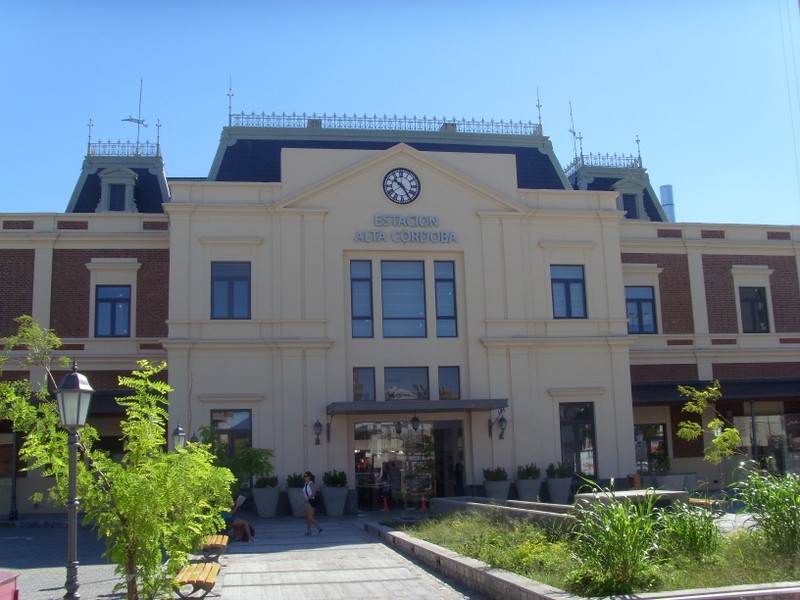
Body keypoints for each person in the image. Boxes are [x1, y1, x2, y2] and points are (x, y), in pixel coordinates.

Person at [302, 471, 323, 535]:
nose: (304, 477)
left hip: (311, 502)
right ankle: (309, 531)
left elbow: (314, 494)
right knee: (307, 517)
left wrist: (308, 499)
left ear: (309, 477)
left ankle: (319, 528)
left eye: (305, 476)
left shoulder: (311, 484)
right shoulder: (306, 484)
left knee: (310, 517)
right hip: (306, 502)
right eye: (304, 476)